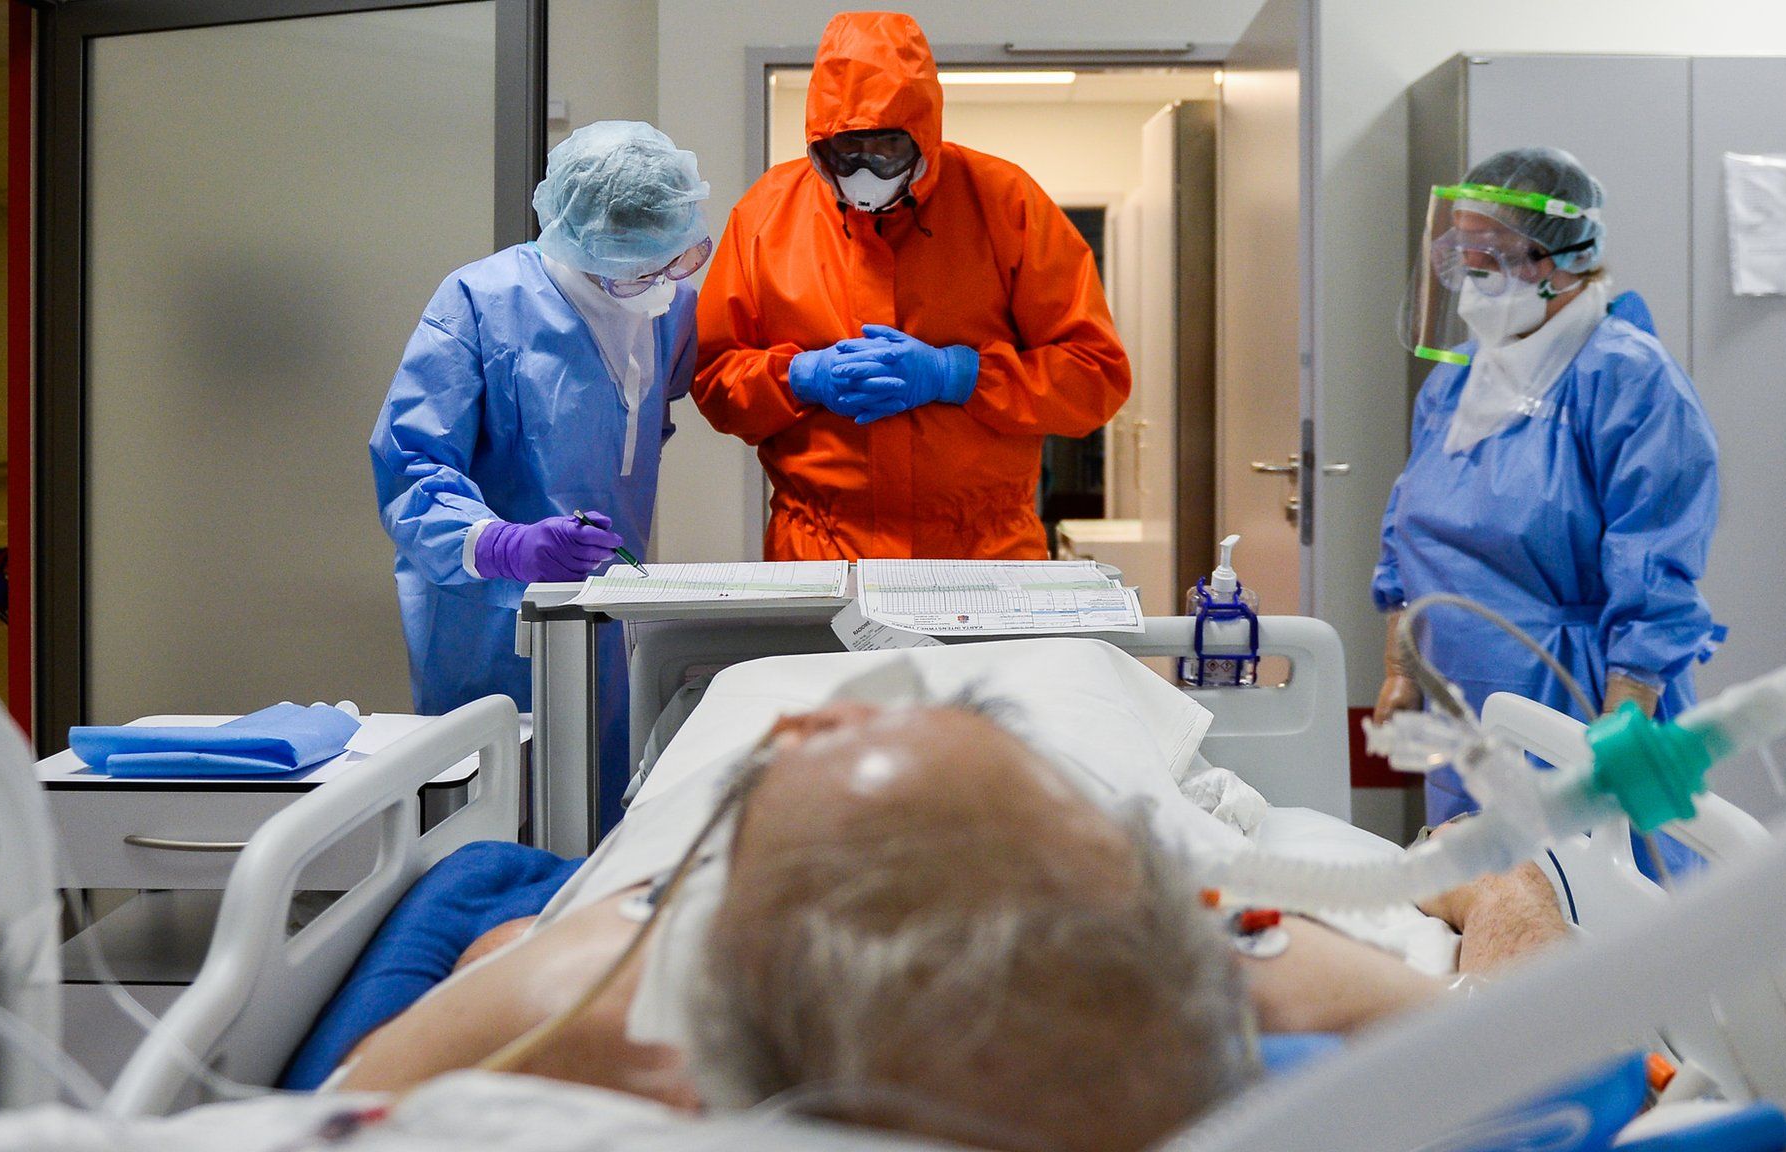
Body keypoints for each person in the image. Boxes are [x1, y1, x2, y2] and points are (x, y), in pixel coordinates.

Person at [337, 692, 1568, 1152]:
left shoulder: (591, 993)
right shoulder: (1230, 971)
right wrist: (1501, 893)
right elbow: (1546, 1023)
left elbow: (350, 1100)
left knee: (503, 940)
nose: (820, 711)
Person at [1375, 147, 1722, 873]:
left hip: (1575, 700)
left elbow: (1654, 562)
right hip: (1464, 701)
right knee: (1486, 899)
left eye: (1494, 254)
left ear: (1566, 259)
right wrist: (1401, 668)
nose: (1472, 273)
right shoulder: (1457, 384)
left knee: (1594, 899)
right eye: (1462, 252)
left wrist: (1623, 723)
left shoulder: (1625, 378)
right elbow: (1406, 530)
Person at [692, 11, 1131, 561]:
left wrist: (960, 375)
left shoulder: (1005, 203)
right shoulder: (767, 214)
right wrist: (800, 378)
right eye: (846, 151)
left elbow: (1094, 378)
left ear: (924, 134)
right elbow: (713, 378)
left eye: (887, 150)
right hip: (820, 550)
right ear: (818, 143)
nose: (865, 170)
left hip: (984, 553)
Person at [371, 121, 711, 818]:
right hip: (487, 618)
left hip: (605, 611)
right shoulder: (481, 302)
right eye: (635, 266)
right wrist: (504, 544)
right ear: (580, 237)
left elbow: (639, 420)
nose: (657, 282)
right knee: (492, 812)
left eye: (672, 260)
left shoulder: (670, 308)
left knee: (599, 800)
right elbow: (411, 464)